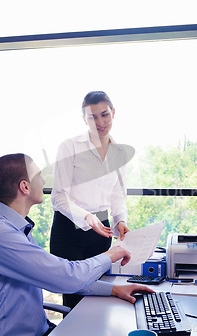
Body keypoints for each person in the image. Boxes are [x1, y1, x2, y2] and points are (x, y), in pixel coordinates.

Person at [0, 153, 152, 336]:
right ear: (25, 186)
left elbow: (56, 276)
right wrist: (110, 255)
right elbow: (67, 277)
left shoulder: (14, 227)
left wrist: (113, 289)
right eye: (39, 176)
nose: (44, 182)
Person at [50, 91, 133, 309]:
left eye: (104, 115)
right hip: (69, 232)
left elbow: (117, 196)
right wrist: (87, 217)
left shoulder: (120, 153)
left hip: (102, 233)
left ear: (113, 113)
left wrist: (120, 221)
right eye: (92, 117)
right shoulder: (70, 147)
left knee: (101, 299)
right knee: (75, 303)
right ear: (84, 118)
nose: (99, 122)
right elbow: (59, 196)